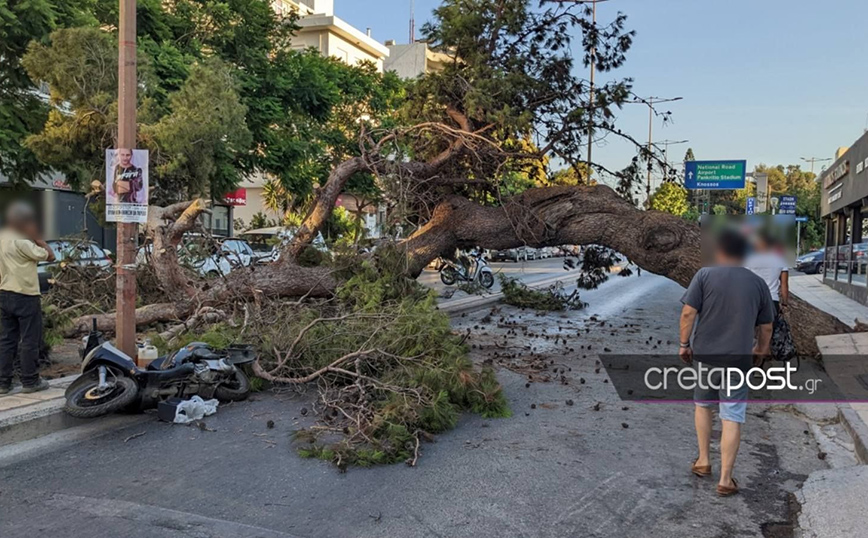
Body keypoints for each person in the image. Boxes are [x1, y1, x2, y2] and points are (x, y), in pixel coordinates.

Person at [678, 229, 775, 497]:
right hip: (738, 360)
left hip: (706, 356)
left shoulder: (705, 275)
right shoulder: (758, 284)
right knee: (732, 415)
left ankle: (703, 461)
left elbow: (688, 313)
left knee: (703, 406)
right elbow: (766, 327)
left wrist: (684, 344)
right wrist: (760, 352)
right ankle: (725, 479)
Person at [0, 202, 56, 394]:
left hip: (4, 294)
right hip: (25, 295)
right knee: (30, 339)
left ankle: (3, 383)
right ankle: (30, 381)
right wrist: (38, 238)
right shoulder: (22, 242)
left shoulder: (2, 238)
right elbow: (50, 256)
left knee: (7, 339)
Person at [745, 231, 789, 315]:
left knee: (752, 327)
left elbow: (745, 281)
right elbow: (784, 285)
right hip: (772, 299)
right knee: (770, 327)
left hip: (754, 299)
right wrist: (784, 303)